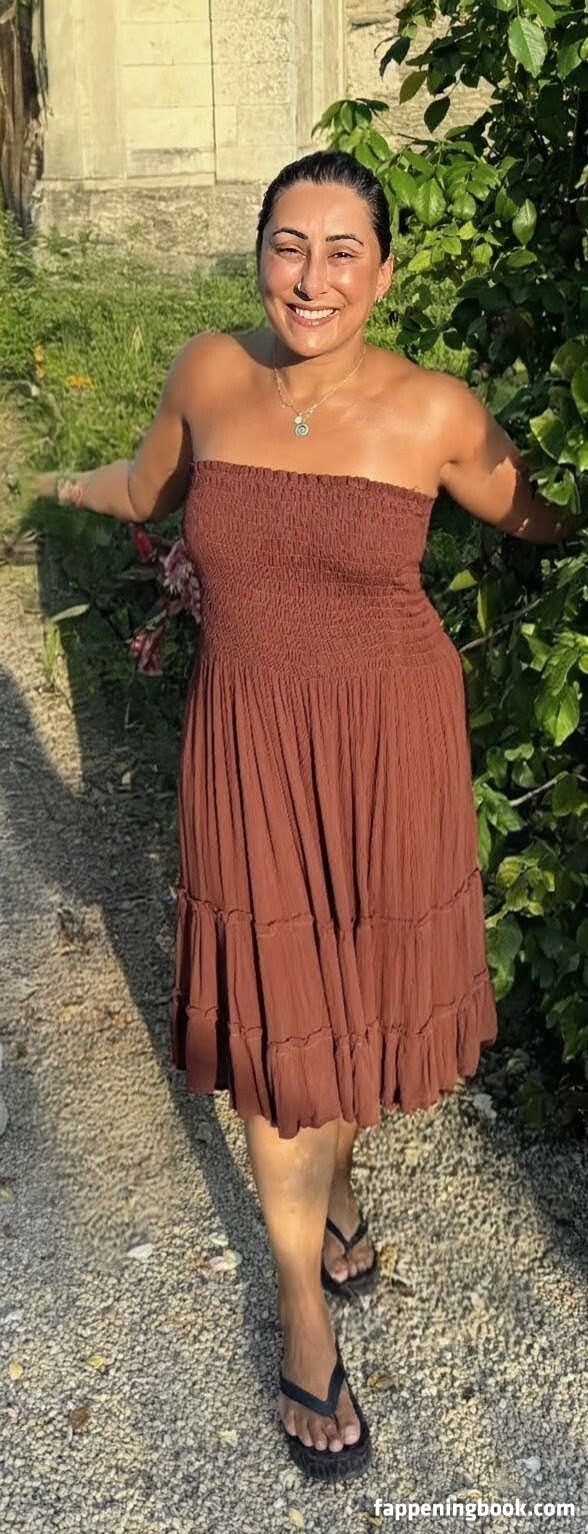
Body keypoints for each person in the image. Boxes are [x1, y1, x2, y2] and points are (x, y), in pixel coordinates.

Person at [37, 149, 575, 1483]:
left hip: (392, 746)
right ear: (259, 254)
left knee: (359, 996)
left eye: (344, 251)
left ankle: (336, 1196)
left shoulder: (435, 410)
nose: (313, 276)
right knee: (286, 1031)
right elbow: (145, 488)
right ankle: (303, 1318)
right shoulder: (209, 374)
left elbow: (538, 519)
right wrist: (59, 488)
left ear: (383, 274)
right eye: (290, 244)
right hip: (250, 745)